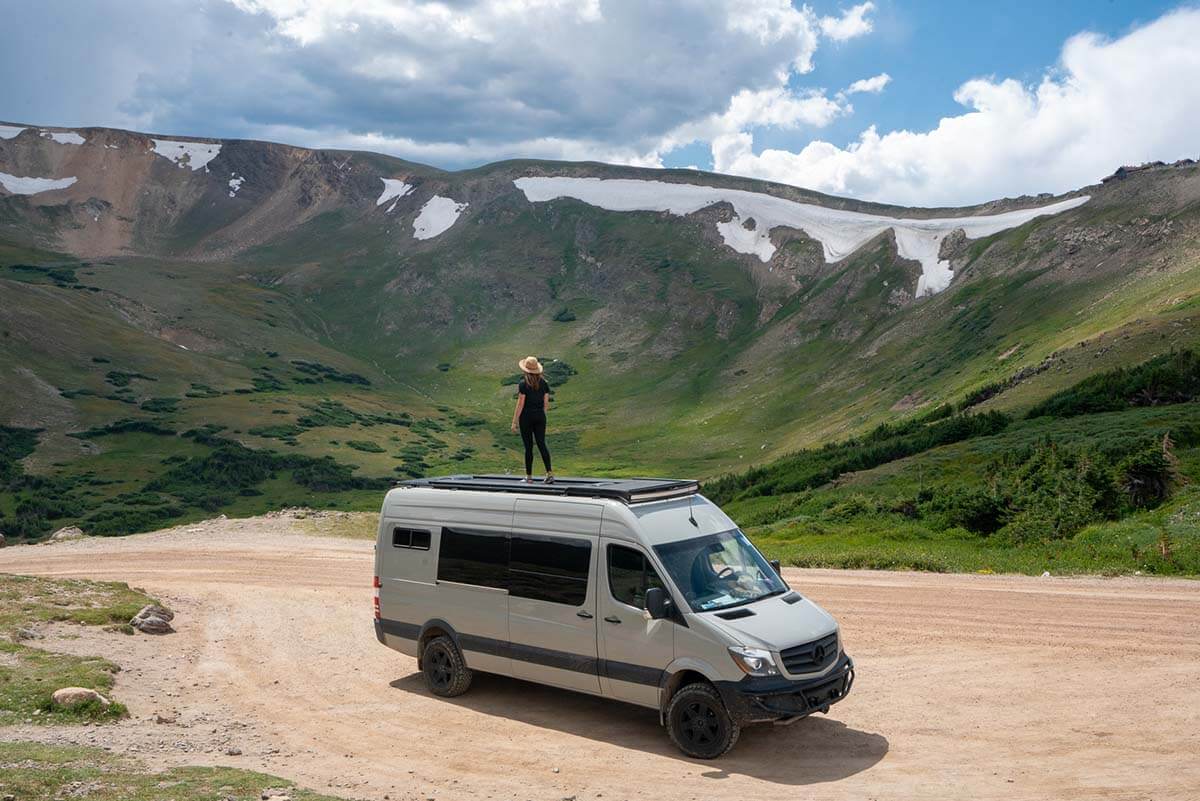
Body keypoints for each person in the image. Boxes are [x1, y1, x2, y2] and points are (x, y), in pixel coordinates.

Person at [510, 355, 553, 483]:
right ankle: (549, 474)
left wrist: (514, 422)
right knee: (542, 444)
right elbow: (546, 403)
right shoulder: (544, 383)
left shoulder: (523, 384)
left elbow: (520, 404)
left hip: (526, 417)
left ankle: (529, 477)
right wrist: (541, 415)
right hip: (540, 416)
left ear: (525, 370)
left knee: (528, 447)